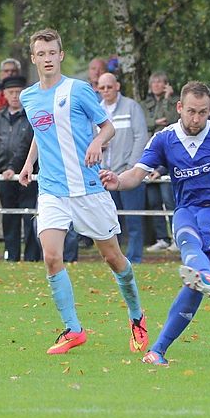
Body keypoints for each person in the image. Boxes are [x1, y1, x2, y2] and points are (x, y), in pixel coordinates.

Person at [100, 80, 210, 367]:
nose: (196, 119)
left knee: (195, 287)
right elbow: (137, 174)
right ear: (179, 108)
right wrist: (118, 181)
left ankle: (164, 339)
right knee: (185, 235)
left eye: (203, 112)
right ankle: (158, 349)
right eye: (191, 112)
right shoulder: (164, 139)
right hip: (187, 208)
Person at [17, 28, 147, 356]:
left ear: (60, 55)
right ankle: (74, 329)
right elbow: (40, 131)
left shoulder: (78, 90)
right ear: (33, 58)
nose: (47, 59)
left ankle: (137, 317)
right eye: (41, 54)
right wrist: (28, 164)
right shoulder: (28, 97)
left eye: (52, 53)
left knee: (113, 258)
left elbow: (109, 127)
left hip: (88, 189)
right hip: (51, 190)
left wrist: (96, 142)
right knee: (50, 256)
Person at [98, 72, 148, 264]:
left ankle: (135, 258)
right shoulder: (97, 110)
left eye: (109, 87)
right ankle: (115, 259)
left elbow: (140, 137)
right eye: (101, 88)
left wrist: (131, 168)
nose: (105, 91)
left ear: (117, 86)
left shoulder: (131, 107)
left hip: (127, 173)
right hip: (104, 175)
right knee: (110, 221)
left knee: (133, 220)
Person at [0, 75, 40, 262]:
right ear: (4, 94)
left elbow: (27, 145)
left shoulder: (31, 116)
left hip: (27, 174)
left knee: (29, 216)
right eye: (11, 92)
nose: (15, 96)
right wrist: (0, 164)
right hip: (5, 175)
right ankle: (11, 255)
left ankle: (32, 256)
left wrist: (13, 167)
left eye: (18, 92)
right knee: (9, 217)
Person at [141, 71, 179, 252]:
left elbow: (171, 121)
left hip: (167, 156)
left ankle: (177, 238)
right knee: (154, 201)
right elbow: (142, 123)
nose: (156, 85)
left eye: (160, 82)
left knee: (169, 200)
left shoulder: (174, 102)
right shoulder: (144, 104)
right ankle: (161, 238)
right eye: (154, 82)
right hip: (149, 155)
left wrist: (167, 98)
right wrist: (155, 121)